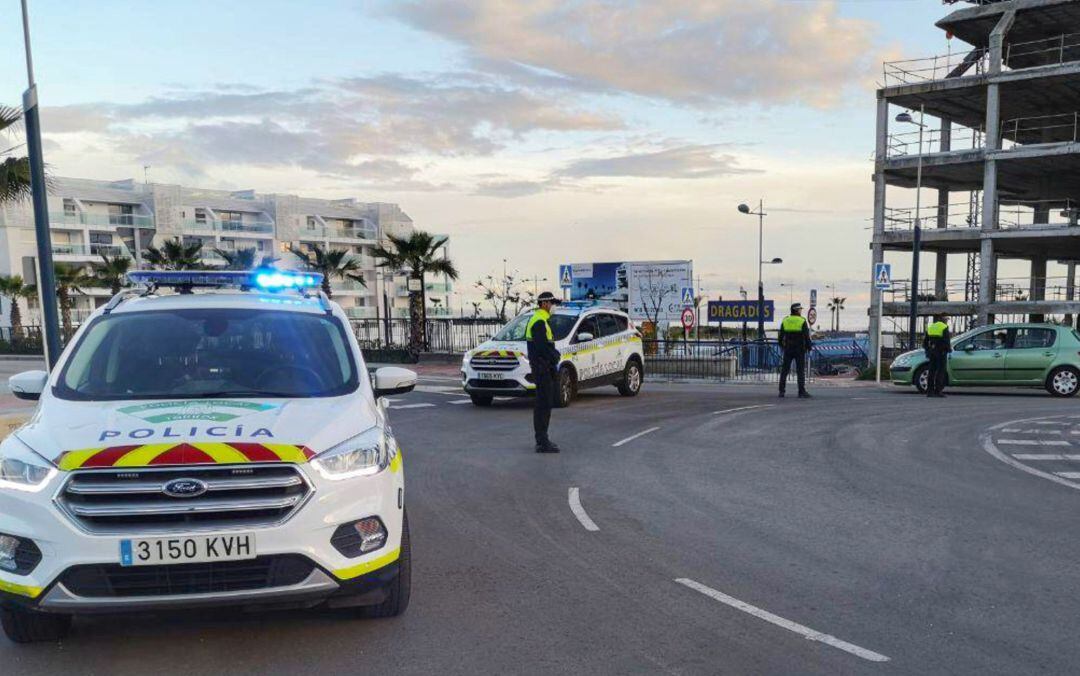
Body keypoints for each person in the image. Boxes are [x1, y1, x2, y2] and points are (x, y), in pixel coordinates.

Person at [526, 292, 562, 453]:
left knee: (544, 404)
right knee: (543, 405)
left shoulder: (541, 320)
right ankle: (542, 441)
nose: (554, 306)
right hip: (543, 369)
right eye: (552, 303)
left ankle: (542, 439)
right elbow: (542, 348)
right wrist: (555, 357)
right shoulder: (539, 321)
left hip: (543, 369)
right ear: (545, 303)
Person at [778, 302, 812, 399]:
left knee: (784, 370)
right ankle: (801, 392)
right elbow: (806, 336)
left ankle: (781, 391)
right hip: (799, 349)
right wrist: (809, 347)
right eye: (800, 309)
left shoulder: (786, 320)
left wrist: (782, 346)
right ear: (796, 310)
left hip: (788, 348)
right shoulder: (802, 321)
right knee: (800, 371)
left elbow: (780, 336)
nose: (801, 311)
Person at [923, 315, 952, 398]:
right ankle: (938, 391)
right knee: (940, 371)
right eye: (946, 319)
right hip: (941, 352)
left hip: (932, 352)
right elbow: (946, 341)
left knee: (931, 371)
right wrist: (948, 349)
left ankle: (929, 391)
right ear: (943, 319)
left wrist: (928, 351)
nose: (947, 321)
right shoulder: (944, 327)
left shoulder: (931, 327)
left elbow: (925, 342)